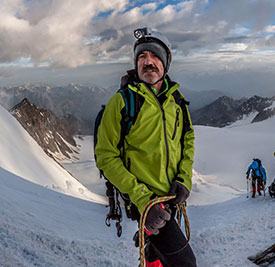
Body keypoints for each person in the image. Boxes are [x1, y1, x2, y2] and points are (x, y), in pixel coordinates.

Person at [95, 27, 196, 267]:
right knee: (185, 263)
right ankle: (148, 236)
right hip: (145, 200)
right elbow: (106, 156)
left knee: (156, 257)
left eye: (154, 56)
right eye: (142, 56)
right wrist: (143, 200)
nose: (148, 62)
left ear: (165, 63)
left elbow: (187, 139)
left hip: (171, 196)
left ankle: (148, 243)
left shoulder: (176, 101)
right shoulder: (122, 102)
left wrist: (184, 179)